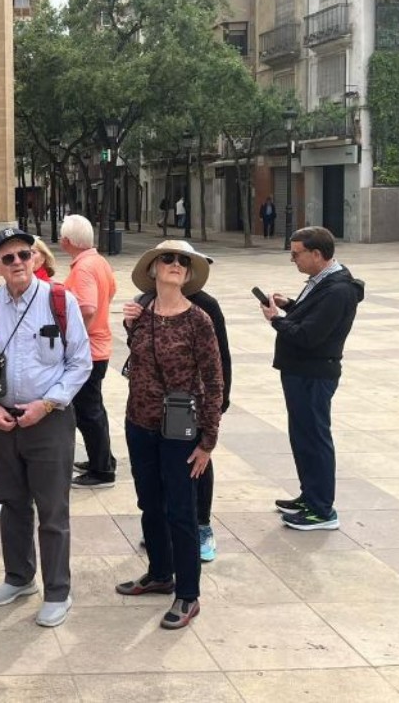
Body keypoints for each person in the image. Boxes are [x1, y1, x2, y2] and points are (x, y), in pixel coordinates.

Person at [0, 228, 92, 628]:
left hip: (49, 420)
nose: (17, 262)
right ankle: (19, 577)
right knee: (12, 503)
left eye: (24, 254)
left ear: (36, 259)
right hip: (1, 419)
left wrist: (47, 403)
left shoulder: (60, 300)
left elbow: (80, 362)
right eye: (8, 258)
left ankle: (58, 590)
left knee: (53, 510)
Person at [117, 240, 224, 631]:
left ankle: (188, 594)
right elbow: (138, 361)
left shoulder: (199, 319)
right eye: (168, 259)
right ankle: (160, 574)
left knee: (181, 511)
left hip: (180, 430)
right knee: (150, 502)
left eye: (183, 261)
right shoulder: (142, 313)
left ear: (189, 273)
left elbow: (214, 382)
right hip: (139, 423)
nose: (176, 264)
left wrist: (208, 440)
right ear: (153, 269)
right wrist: (130, 327)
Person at [261, 226, 364, 531]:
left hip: (314, 373)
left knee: (315, 439)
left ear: (316, 254)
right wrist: (290, 306)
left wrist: (276, 320)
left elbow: (309, 336)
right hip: (300, 371)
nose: (293, 260)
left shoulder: (338, 289)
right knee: (303, 436)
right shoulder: (322, 281)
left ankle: (322, 510)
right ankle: (310, 495)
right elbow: (313, 318)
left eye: (296, 254)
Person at [60, 215, 118, 490]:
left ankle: (101, 470)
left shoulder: (83, 268)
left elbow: (88, 307)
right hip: (100, 345)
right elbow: (111, 292)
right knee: (95, 409)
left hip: (90, 350)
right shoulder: (98, 262)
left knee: (88, 412)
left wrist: (74, 339)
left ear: (67, 241)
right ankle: (103, 458)